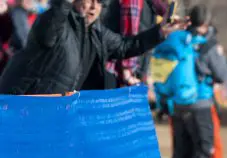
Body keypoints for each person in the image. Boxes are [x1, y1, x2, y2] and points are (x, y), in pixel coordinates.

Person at [0, 0, 185, 95]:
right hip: (22, 103)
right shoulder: (56, 21)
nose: (93, 7)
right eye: (89, 0)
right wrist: (63, 3)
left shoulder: (96, 31)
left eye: (99, 3)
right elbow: (48, 33)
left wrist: (160, 32)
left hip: (54, 109)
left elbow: (125, 46)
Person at [155, 4, 227, 158]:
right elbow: (224, 75)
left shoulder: (175, 41)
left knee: (181, 150)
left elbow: (159, 71)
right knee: (204, 148)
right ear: (206, 23)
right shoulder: (206, 45)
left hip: (177, 105)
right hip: (200, 105)